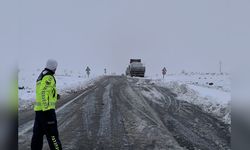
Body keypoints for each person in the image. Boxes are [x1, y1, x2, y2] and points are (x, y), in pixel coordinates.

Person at [31, 59, 62, 150]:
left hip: (39, 112)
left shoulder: (41, 75)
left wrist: (55, 96)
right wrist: (47, 109)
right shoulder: (49, 77)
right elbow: (43, 93)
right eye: (55, 67)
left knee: (37, 136)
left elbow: (43, 91)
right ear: (53, 67)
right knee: (53, 136)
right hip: (47, 112)